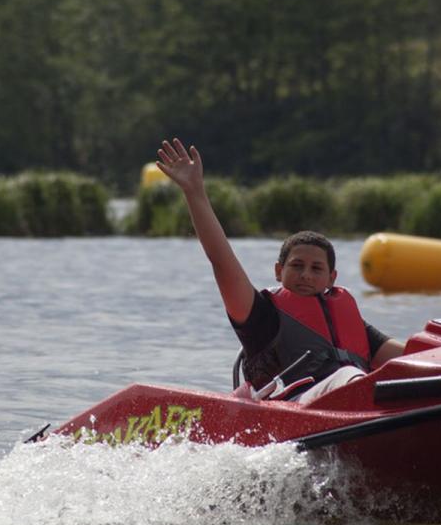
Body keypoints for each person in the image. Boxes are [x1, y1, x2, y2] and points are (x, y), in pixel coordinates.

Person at [156, 138, 405, 403]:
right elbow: (221, 259)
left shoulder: (350, 320)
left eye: (316, 268)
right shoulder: (260, 316)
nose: (306, 274)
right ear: (278, 271)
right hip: (299, 406)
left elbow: (408, 356)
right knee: (349, 374)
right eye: (296, 265)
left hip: (357, 398)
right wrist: (195, 192)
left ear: (332, 278)